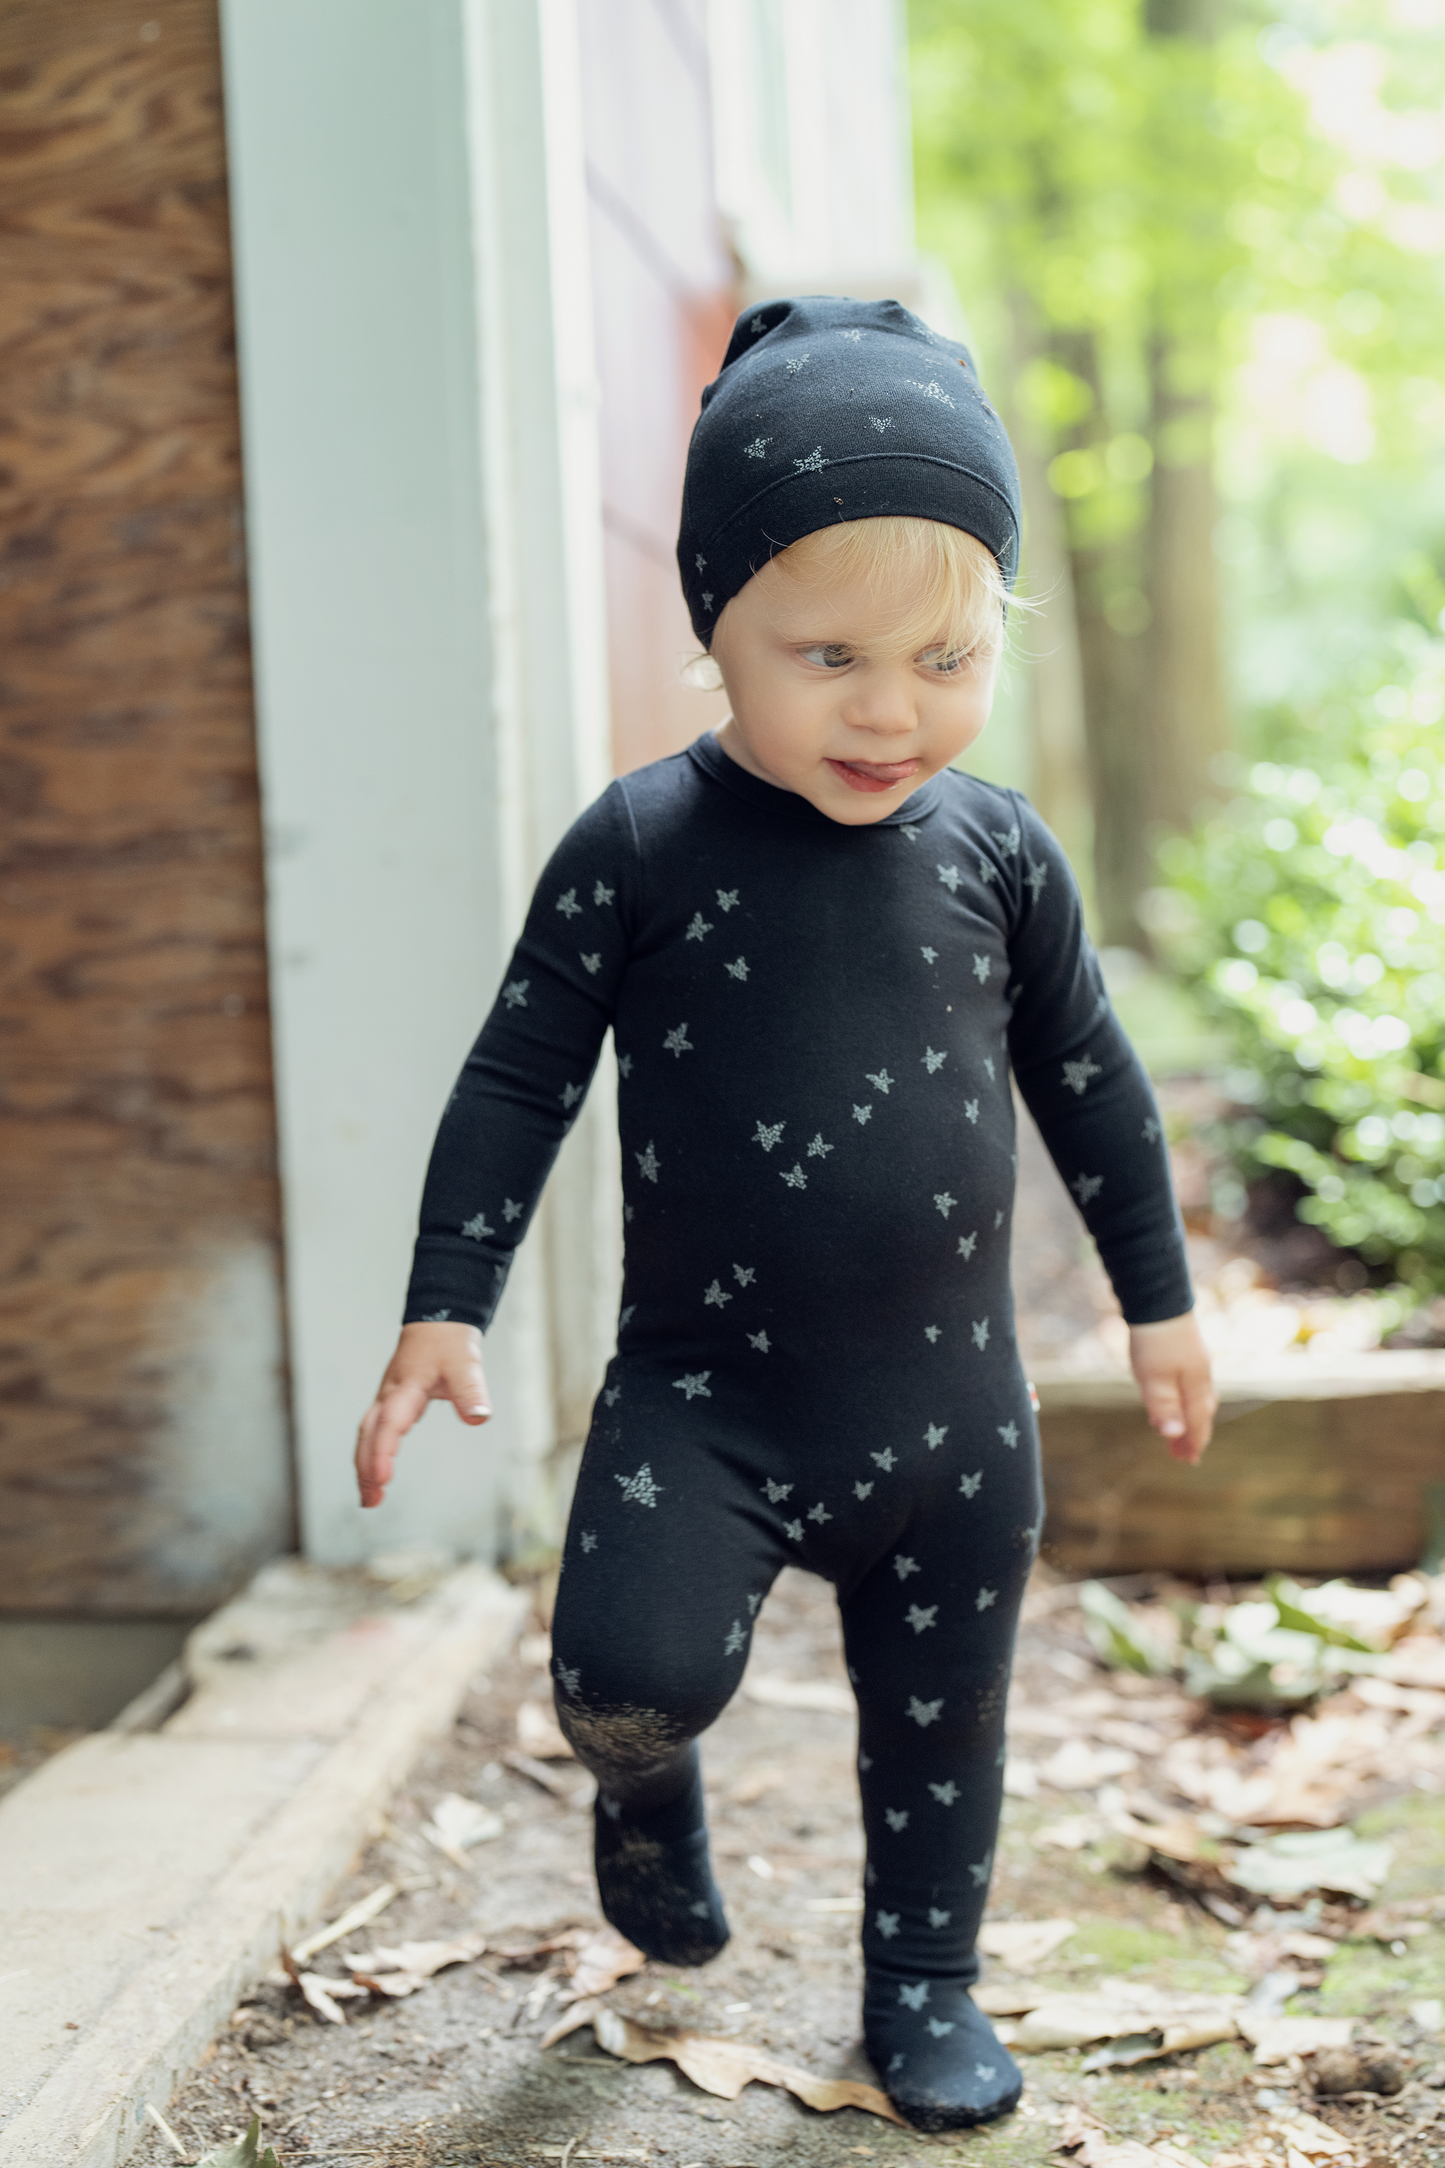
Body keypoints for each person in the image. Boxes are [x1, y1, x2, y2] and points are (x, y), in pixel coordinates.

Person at [354, 296, 1215, 2132]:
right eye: (827, 653)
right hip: (705, 1402)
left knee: (941, 1722)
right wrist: (448, 1300)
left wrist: (1162, 1300)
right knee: (619, 1677)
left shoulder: (1001, 855)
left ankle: (922, 1987)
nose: (892, 707)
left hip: (950, 1411)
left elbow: (1092, 1083)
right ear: (717, 627)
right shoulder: (640, 846)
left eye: (947, 654)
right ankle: (643, 1795)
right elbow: (520, 1077)